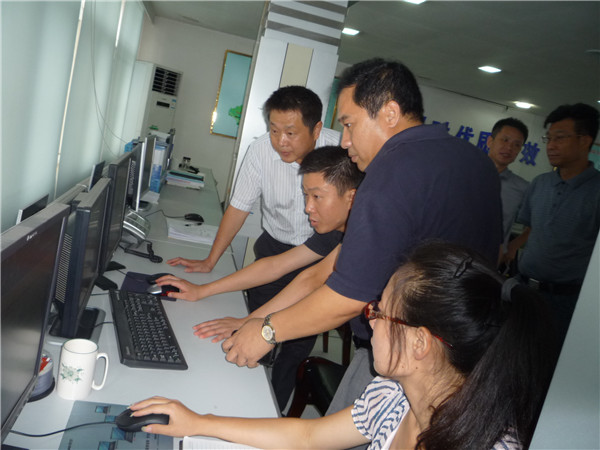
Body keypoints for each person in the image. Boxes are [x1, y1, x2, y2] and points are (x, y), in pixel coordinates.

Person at [219, 58, 502, 420]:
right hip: (467, 364)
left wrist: (267, 332)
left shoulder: (389, 171)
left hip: (400, 360)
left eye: (350, 124)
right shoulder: (477, 163)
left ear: (390, 113)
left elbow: (347, 296)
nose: (346, 141)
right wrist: (254, 320)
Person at [130, 242, 555, 450]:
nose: (369, 320)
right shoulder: (395, 395)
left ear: (420, 343)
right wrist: (198, 421)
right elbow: (310, 435)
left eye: (380, 312)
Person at [157, 146, 363, 411]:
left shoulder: (369, 236)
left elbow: (324, 294)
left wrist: (261, 327)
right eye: (305, 195)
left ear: (351, 197)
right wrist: (203, 291)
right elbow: (285, 268)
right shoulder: (340, 231)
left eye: (317, 196)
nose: (307, 207)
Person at [167, 86, 340, 305]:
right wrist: (210, 261)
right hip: (275, 248)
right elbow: (238, 208)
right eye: (274, 131)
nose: (281, 142)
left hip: (325, 254)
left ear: (316, 130)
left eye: (290, 133)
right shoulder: (260, 150)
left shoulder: (342, 151)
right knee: (257, 314)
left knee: (303, 322)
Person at [516, 103, 600, 348]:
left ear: (585, 141)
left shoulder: (596, 190)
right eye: (549, 138)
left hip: (566, 300)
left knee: (549, 360)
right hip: (524, 290)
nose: (550, 146)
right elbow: (531, 230)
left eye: (560, 138)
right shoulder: (540, 183)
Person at [486, 118, 530, 270]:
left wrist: (513, 246)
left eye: (517, 145)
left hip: (490, 260)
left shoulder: (522, 188)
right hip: (452, 251)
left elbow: (536, 222)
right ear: (490, 141)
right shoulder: (466, 173)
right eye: (505, 140)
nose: (509, 148)